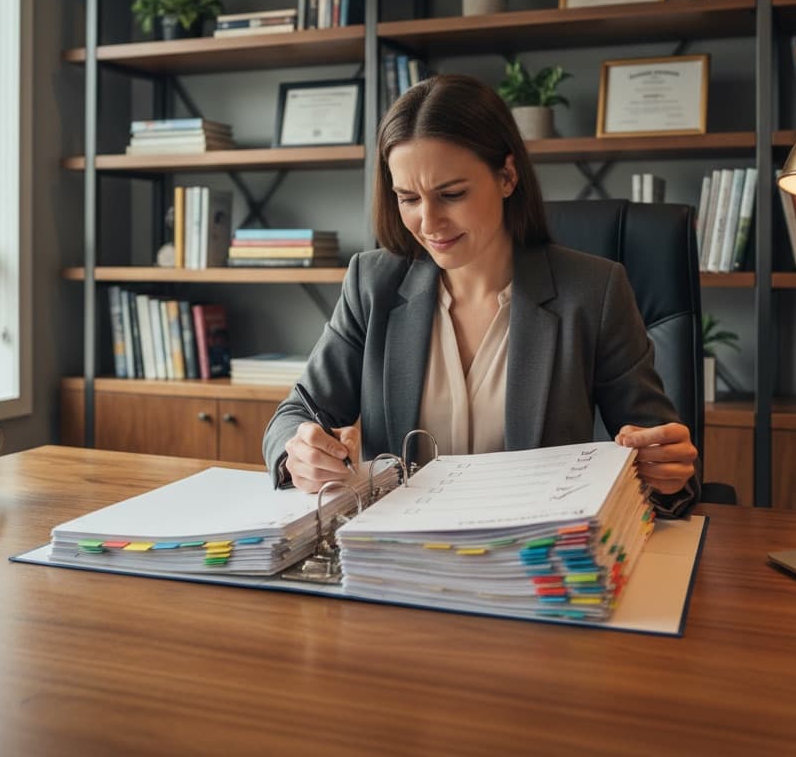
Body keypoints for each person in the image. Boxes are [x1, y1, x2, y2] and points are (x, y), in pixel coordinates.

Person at [262, 74, 698, 515]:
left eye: (451, 194)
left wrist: (665, 471)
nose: (429, 222)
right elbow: (295, 414)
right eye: (407, 198)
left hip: (531, 552)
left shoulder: (593, 291)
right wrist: (297, 453)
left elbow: (662, 453)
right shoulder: (372, 283)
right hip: (397, 558)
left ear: (507, 176)